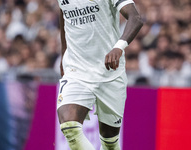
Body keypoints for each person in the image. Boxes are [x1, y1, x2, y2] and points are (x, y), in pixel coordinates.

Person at [57, 0, 143, 149]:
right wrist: (64, 53)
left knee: (110, 141)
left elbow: (135, 18)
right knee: (69, 127)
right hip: (76, 69)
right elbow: (64, 15)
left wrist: (119, 47)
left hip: (109, 71)